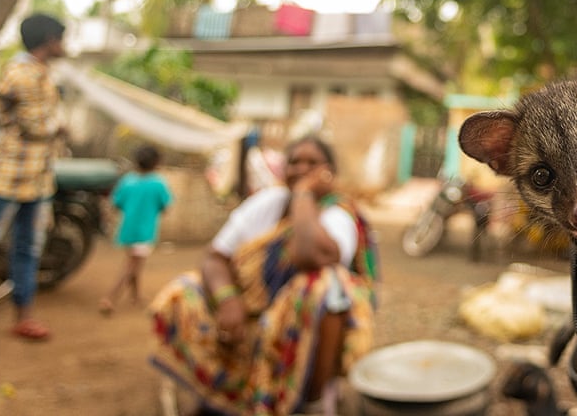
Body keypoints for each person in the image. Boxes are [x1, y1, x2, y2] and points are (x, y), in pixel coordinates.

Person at [149, 136, 378, 416]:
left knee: (324, 287)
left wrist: (304, 194)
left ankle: (313, 401)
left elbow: (310, 256)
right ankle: (218, 392)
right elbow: (216, 257)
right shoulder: (268, 202)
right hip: (250, 310)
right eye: (294, 162)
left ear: (329, 172)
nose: (301, 169)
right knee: (183, 291)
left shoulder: (338, 214)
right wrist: (227, 299)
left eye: (312, 163)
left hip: (300, 322)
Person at [0, 13, 66, 341]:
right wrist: (59, 126)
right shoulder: (22, 74)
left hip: (37, 176)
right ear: (49, 39)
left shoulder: (40, 72)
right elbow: (36, 126)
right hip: (13, 173)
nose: (64, 44)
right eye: (61, 38)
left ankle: (24, 315)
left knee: (28, 247)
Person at [99, 144, 173, 315]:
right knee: (132, 266)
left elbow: (116, 203)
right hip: (144, 232)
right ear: (156, 163)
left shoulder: (128, 180)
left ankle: (136, 296)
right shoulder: (157, 184)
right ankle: (109, 298)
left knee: (134, 263)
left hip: (127, 230)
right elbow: (166, 207)